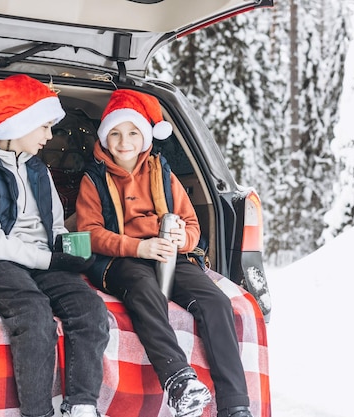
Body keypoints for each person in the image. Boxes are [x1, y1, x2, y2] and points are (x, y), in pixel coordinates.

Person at [75, 89, 253, 417]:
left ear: (145, 136)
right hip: (121, 258)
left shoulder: (163, 173)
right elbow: (89, 234)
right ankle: (178, 379)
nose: (123, 141)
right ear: (104, 138)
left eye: (132, 132)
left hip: (169, 255)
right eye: (114, 133)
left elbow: (192, 227)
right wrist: (138, 246)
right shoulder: (95, 177)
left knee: (215, 302)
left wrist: (179, 240)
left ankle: (236, 405)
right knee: (145, 290)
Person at [0, 74, 110, 417]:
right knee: (35, 315)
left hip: (40, 259)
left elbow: (51, 223)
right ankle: (38, 413)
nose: (49, 136)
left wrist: (68, 252)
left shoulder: (38, 168)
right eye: (44, 127)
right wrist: (46, 259)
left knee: (90, 308)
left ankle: (82, 404)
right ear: (17, 124)